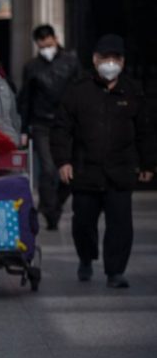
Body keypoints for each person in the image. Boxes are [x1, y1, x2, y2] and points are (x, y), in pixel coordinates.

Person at [51, 34, 156, 288]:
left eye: (115, 58)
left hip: (120, 171)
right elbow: (61, 128)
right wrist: (63, 161)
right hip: (85, 170)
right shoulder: (78, 91)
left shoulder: (132, 91)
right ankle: (85, 258)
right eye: (105, 58)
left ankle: (115, 271)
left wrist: (147, 164)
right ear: (95, 59)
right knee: (83, 224)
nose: (110, 63)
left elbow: (145, 130)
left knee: (120, 225)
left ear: (123, 61)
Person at [17, 24, 81, 230]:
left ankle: (51, 206)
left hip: (68, 123)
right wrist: (24, 129)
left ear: (55, 39)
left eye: (48, 42)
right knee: (48, 169)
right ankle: (51, 211)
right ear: (37, 44)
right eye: (41, 43)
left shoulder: (71, 62)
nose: (46, 46)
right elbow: (26, 98)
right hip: (42, 122)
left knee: (69, 170)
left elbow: (82, 91)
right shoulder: (32, 66)